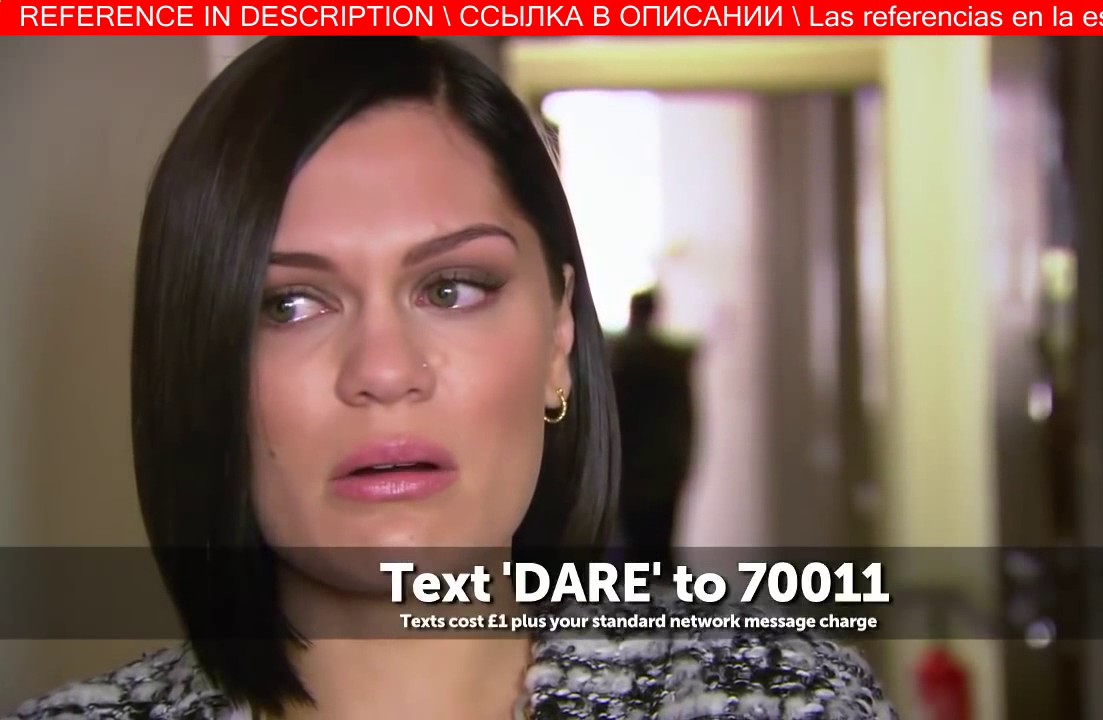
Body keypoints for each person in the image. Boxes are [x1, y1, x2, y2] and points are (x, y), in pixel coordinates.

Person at [7, 38, 895, 720]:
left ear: (558, 337)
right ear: (202, 368)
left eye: (452, 289)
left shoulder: (783, 702)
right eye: (291, 304)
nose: (385, 371)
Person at [611, 289, 697, 569]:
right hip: (662, 470)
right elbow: (685, 419)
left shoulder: (619, 356)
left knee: (633, 550)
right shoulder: (671, 360)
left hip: (630, 471)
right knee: (660, 549)